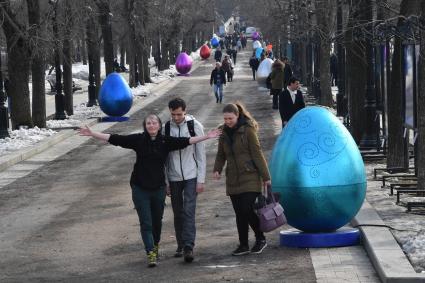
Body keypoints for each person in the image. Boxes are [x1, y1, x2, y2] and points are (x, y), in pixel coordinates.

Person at [78, 116, 220, 268]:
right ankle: (151, 252)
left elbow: (186, 141)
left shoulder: (166, 141)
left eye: (154, 123)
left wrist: (207, 136)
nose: (151, 125)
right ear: (145, 126)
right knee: (146, 223)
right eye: (148, 123)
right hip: (140, 188)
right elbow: (116, 139)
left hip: (158, 189)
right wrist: (93, 133)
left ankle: (155, 245)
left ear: (159, 126)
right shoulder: (139, 140)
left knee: (156, 222)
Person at [213, 102, 271, 256]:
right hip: (233, 178)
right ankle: (243, 244)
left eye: (230, 118)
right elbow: (221, 154)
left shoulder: (248, 130)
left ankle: (260, 238)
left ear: (237, 115)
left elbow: (257, 153)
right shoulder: (223, 133)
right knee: (239, 212)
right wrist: (217, 169)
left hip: (250, 176)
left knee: (246, 208)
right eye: (225, 119)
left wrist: (266, 177)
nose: (227, 122)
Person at [164, 98, 206, 263]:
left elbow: (201, 154)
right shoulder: (166, 128)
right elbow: (164, 157)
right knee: (178, 212)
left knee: (188, 210)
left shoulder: (195, 126)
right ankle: (180, 244)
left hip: (191, 175)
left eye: (179, 114)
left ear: (185, 111)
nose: (176, 118)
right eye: (173, 114)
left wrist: (200, 179)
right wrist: (166, 181)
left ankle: (189, 246)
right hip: (174, 177)